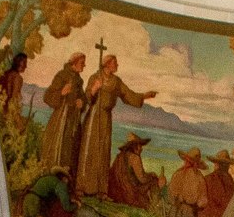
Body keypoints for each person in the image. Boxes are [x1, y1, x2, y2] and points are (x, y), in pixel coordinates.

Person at [72, 54, 157, 198]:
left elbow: (127, 94)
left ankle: (101, 190)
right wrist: (94, 89)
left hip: (105, 118)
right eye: (115, 63)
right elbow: (87, 97)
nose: (117, 65)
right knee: (89, 151)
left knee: (103, 151)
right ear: (108, 64)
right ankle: (82, 187)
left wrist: (143, 96)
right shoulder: (95, 77)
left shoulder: (116, 82)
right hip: (93, 117)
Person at [36, 53, 89, 180]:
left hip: (73, 120)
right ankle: (52, 177)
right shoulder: (62, 75)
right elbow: (47, 96)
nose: (84, 65)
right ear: (74, 63)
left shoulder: (78, 80)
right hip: (61, 119)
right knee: (58, 147)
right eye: (82, 63)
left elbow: (82, 97)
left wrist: (82, 102)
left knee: (71, 149)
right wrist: (61, 93)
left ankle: (67, 180)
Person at [106, 133, 159, 206]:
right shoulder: (134, 157)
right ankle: (155, 205)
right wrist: (151, 176)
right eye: (140, 145)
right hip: (129, 193)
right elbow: (142, 179)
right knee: (154, 179)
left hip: (116, 192)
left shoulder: (120, 156)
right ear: (135, 146)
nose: (141, 148)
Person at [0, 52, 29, 123]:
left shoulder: (5, 73)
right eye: (25, 63)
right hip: (6, 113)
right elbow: (13, 98)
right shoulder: (18, 78)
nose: (26, 66)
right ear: (19, 63)